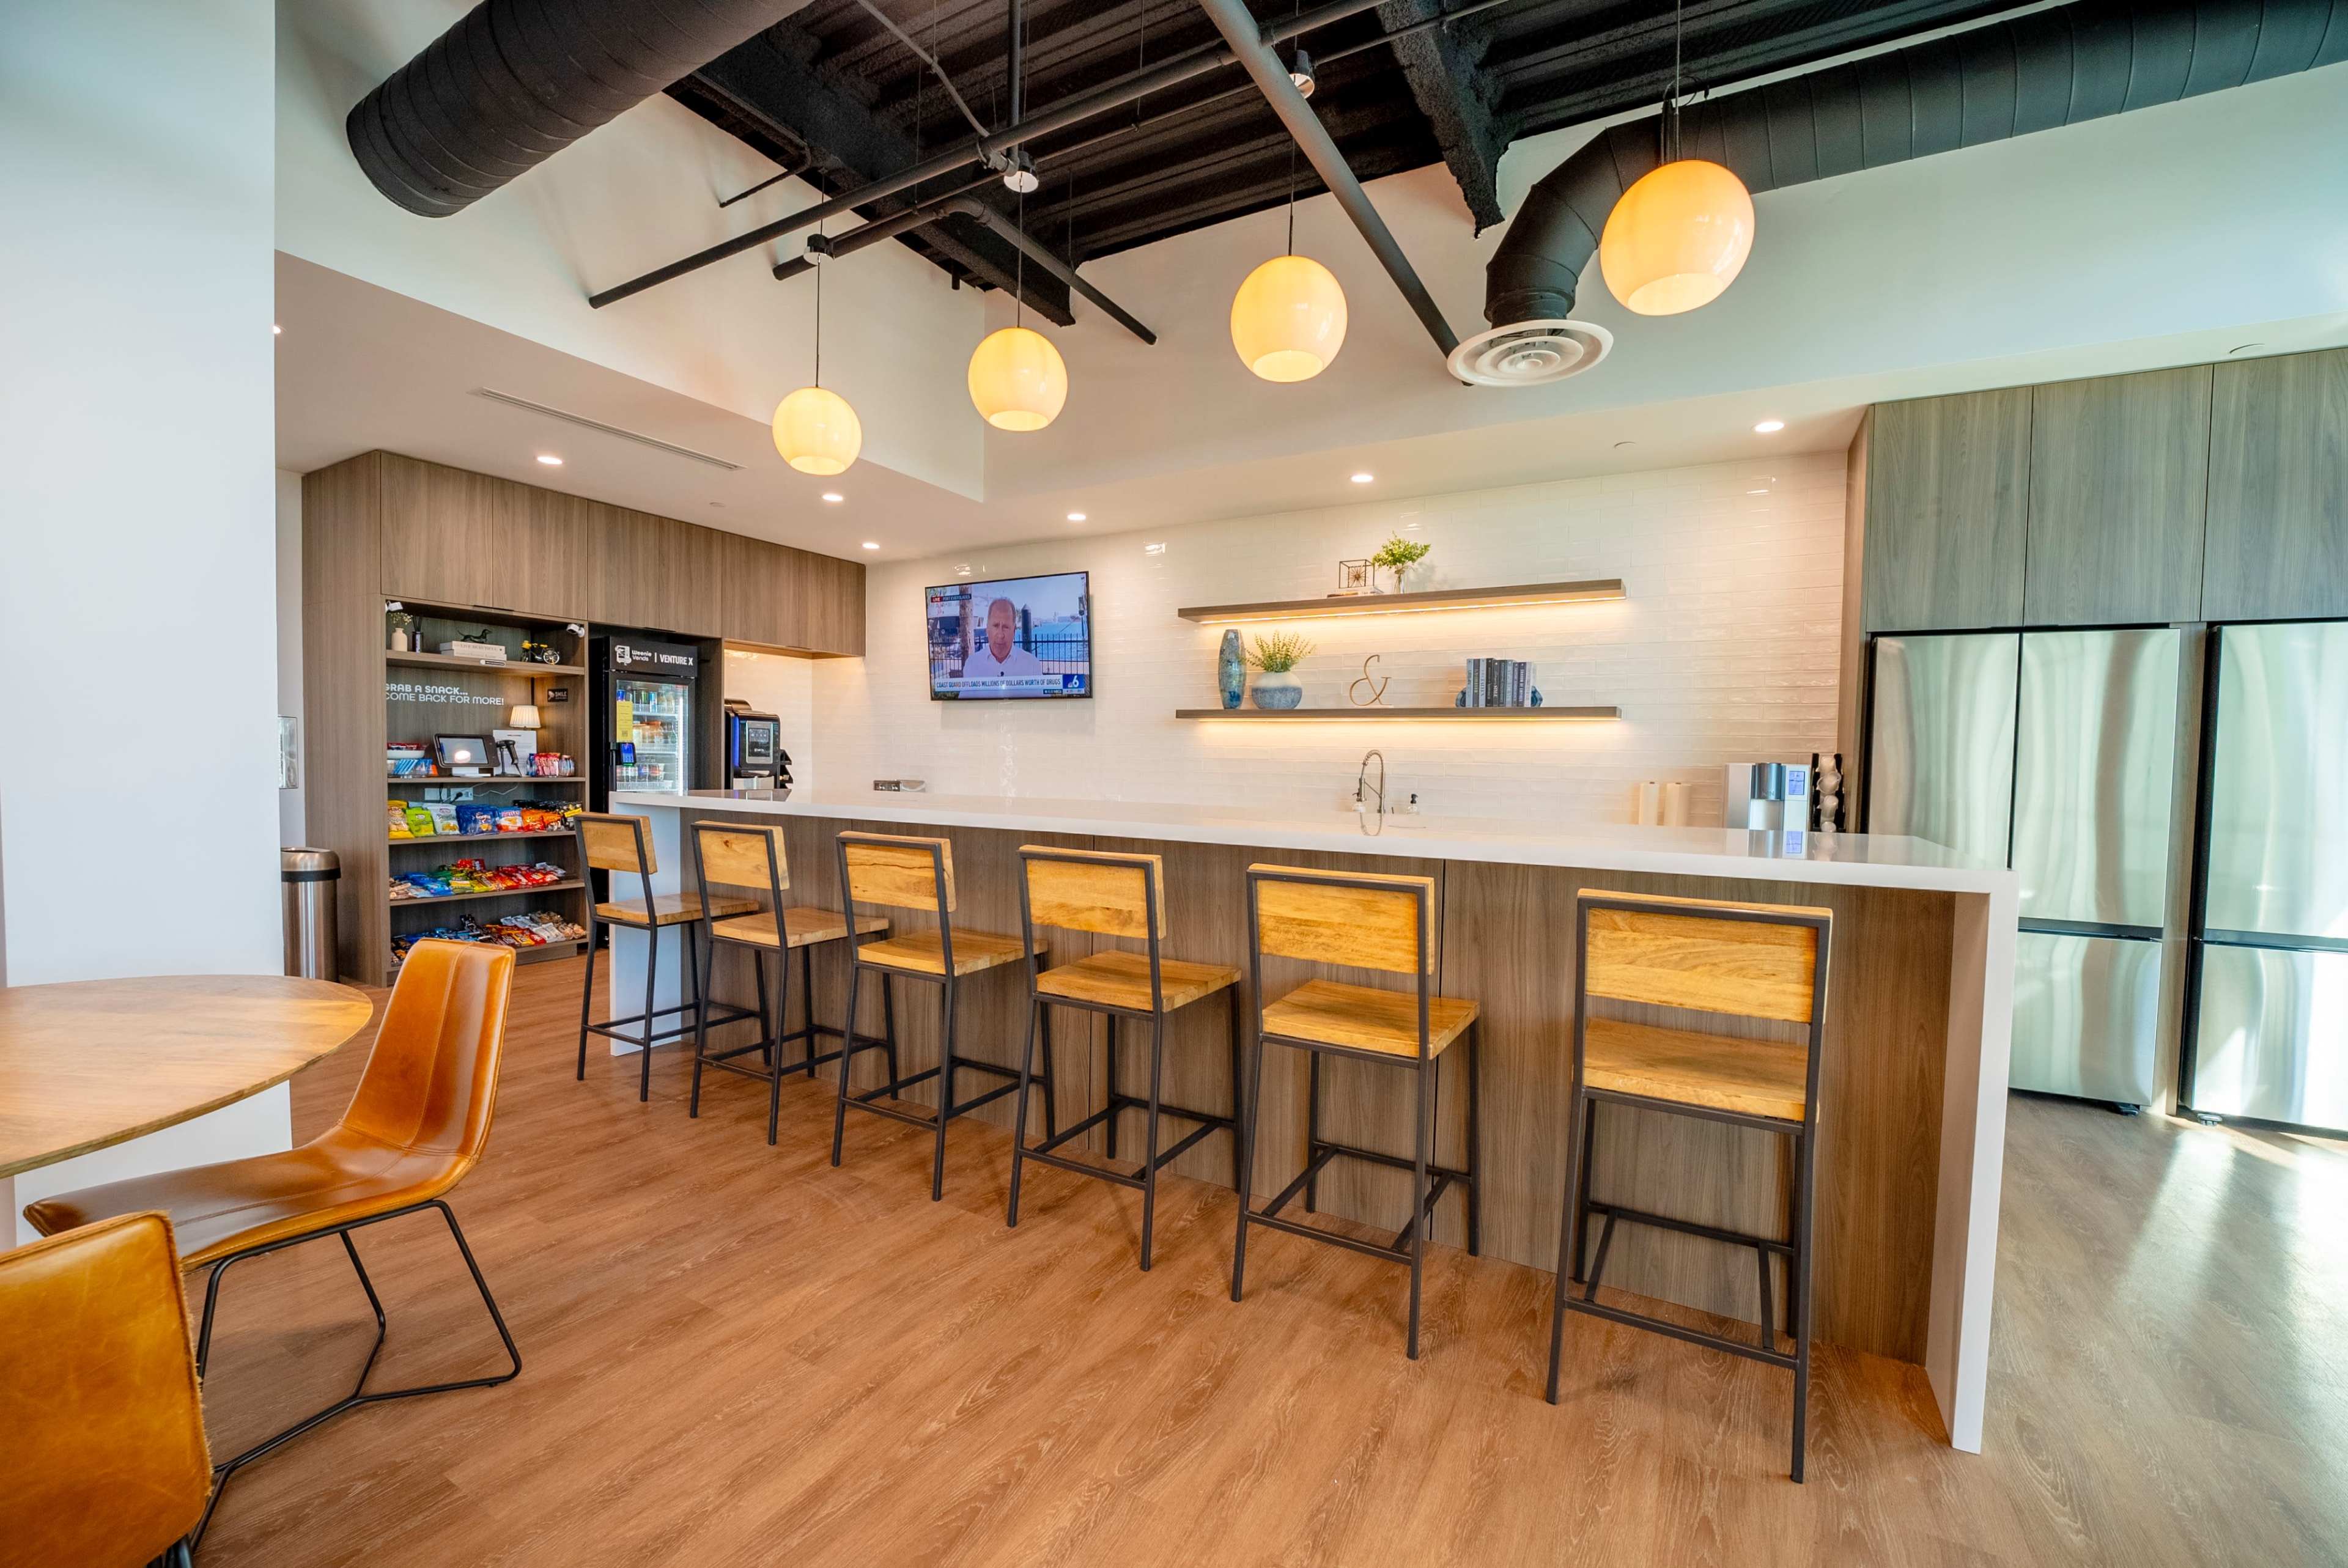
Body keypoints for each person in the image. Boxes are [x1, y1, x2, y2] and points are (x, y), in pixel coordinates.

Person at [963, 597, 1045, 680]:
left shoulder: (1032, 666)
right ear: (987, 628)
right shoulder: (972, 665)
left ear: (1014, 630)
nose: (1001, 635)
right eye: (996, 626)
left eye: (1006, 627)